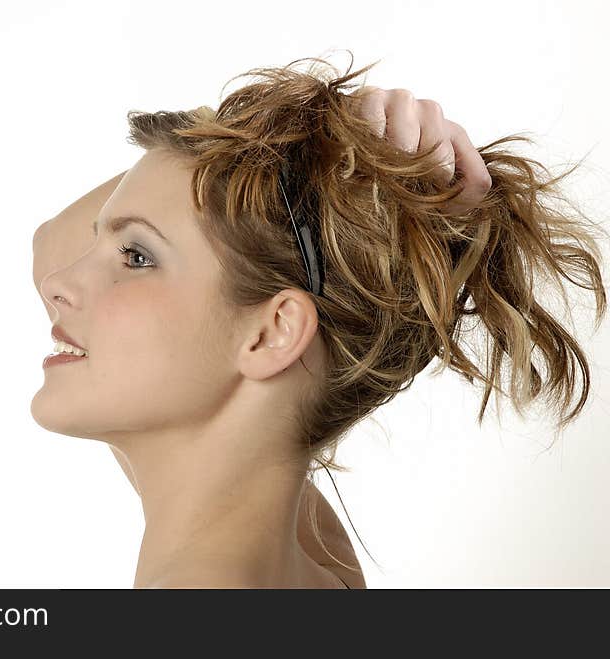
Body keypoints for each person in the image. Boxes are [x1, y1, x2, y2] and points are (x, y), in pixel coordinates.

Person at [30, 56, 607, 588]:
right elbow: (51, 245)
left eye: (136, 257)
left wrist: (305, 131)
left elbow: (50, 250)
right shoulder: (309, 545)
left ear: (271, 332)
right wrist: (314, 147)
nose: (60, 283)